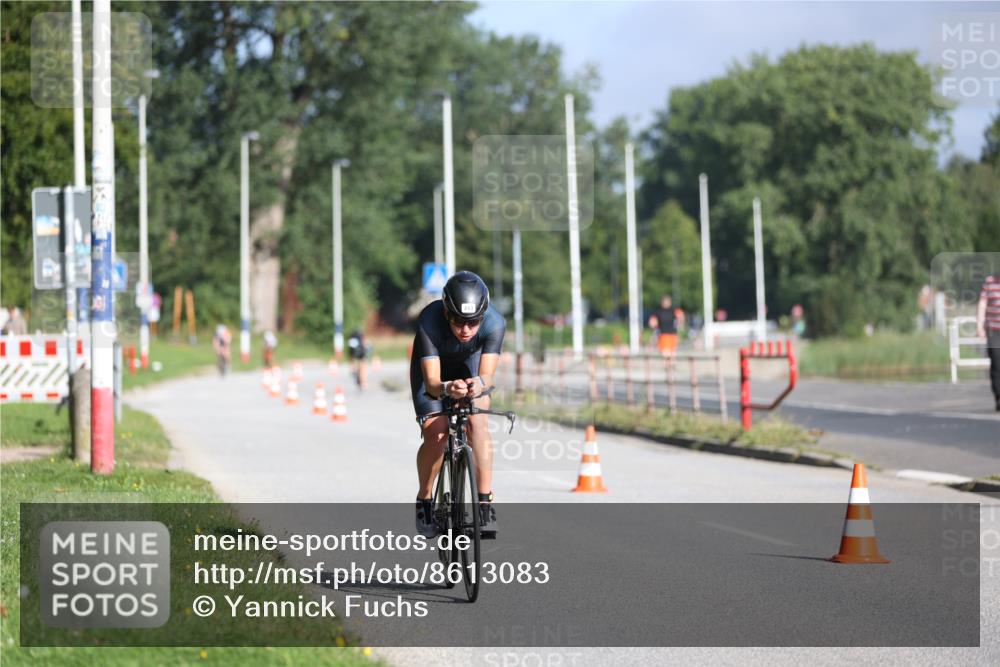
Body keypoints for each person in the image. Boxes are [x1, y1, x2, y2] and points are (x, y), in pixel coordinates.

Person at [410, 271, 504, 538]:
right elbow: (431, 383)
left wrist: (478, 385)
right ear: (446, 313)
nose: (465, 330)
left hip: (469, 368)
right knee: (437, 433)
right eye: (457, 321)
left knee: (478, 424)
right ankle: (425, 500)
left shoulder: (495, 323)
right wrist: (446, 388)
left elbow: (487, 376)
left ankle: (485, 504)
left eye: (473, 323)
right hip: (434, 373)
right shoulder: (429, 320)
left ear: (483, 317)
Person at [976, 271, 1000, 411]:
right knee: (997, 363)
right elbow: (982, 304)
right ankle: (998, 396)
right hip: (994, 330)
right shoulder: (990, 282)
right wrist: (980, 326)